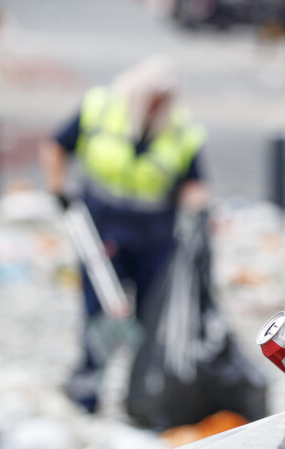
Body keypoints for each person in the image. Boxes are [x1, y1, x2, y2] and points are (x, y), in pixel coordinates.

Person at [40, 56, 208, 412]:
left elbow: (193, 181)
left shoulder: (180, 130)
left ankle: (142, 395)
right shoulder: (101, 108)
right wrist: (59, 190)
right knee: (98, 312)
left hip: (154, 240)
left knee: (151, 317)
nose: (156, 107)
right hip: (103, 233)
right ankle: (88, 389)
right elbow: (56, 146)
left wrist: (199, 211)